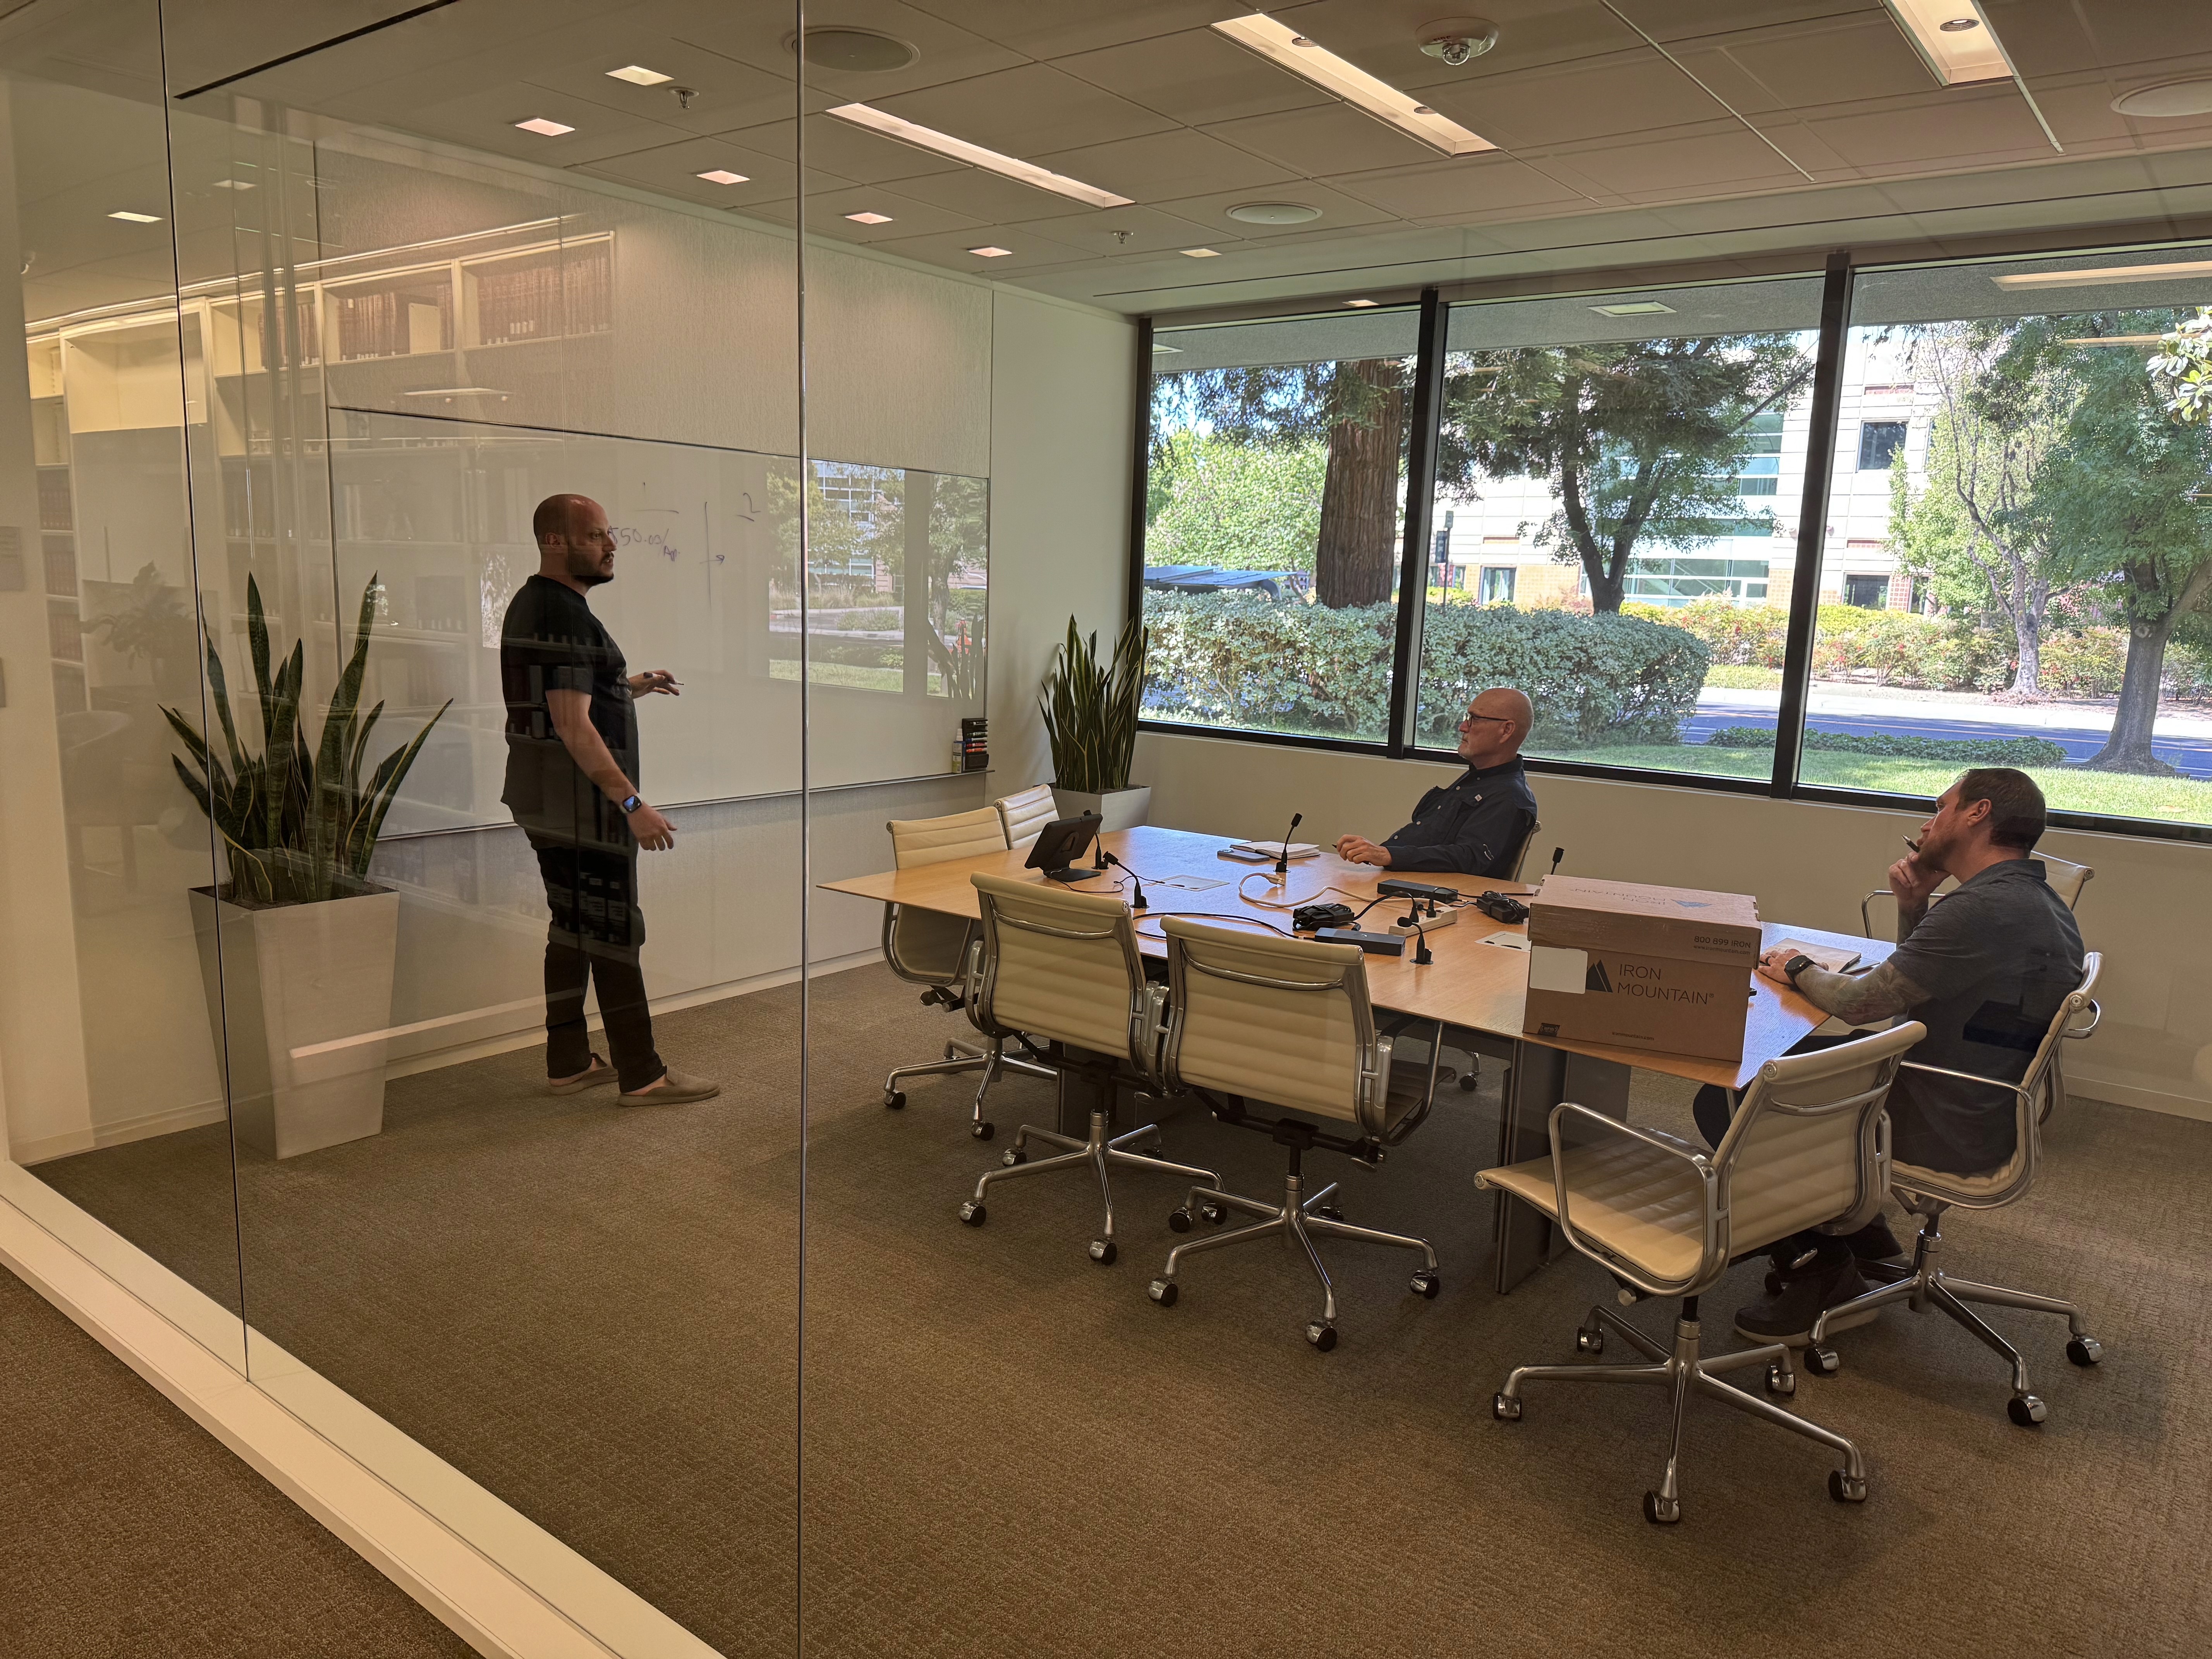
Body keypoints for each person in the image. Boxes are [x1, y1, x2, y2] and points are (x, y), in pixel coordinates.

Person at [1705, 768, 2083, 1343]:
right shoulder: (2032, 899)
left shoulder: (1983, 909)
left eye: (1939, 809)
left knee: (1732, 1098)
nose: (1926, 826)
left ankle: (1823, 1267)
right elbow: (1920, 987)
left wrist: (1797, 968)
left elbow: (1864, 1005)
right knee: (1785, 1058)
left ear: (1977, 814)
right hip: (1972, 1095)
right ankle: (1868, 1240)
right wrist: (1915, 906)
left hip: (1942, 1114)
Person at [500, 493, 720, 1106]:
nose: (611, 544)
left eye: (608, 534)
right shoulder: (564, 614)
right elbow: (572, 726)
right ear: (555, 542)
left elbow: (562, 701)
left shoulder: (536, 604)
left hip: (546, 799)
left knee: (573, 928)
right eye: (596, 535)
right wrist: (632, 806)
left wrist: (628, 688)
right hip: (583, 809)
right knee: (614, 930)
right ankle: (643, 1074)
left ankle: (568, 1060)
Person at [1334, 687, 1538, 878]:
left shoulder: (1509, 796)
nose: (1463, 727)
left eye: (1475, 719)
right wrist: (1379, 854)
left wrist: (1388, 855)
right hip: (1399, 880)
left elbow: (1469, 857)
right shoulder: (1480, 778)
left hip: (1434, 898)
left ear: (1506, 730)